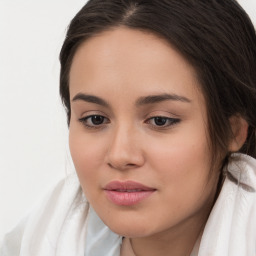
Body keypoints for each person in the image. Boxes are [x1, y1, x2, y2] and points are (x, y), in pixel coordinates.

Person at [1, 0, 256, 255]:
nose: (120, 155)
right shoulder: (38, 238)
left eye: (160, 120)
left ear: (231, 131)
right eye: (95, 119)